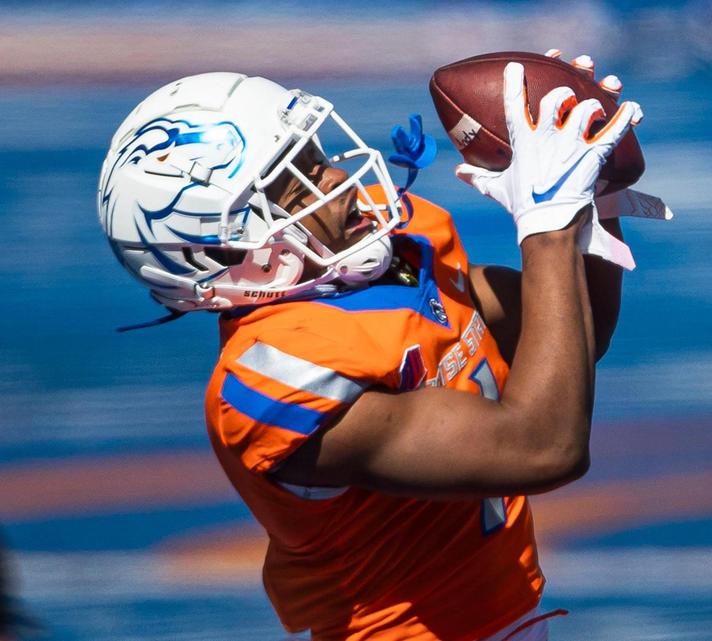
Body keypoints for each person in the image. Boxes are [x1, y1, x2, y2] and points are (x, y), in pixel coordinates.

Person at [97, 57, 644, 640]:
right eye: (294, 181)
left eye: (316, 158)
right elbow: (545, 447)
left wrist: (593, 197)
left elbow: (572, 339)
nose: (335, 178)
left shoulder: (400, 257)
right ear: (229, 248)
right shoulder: (273, 379)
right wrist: (549, 227)